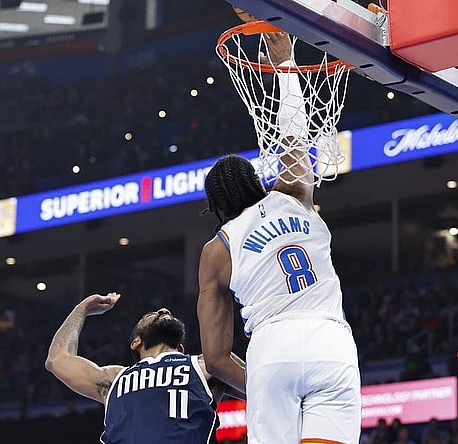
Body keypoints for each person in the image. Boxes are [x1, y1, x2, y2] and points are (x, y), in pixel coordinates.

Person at [197, 32, 361, 444]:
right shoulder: (294, 197)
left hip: (270, 347)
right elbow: (294, 139)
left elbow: (215, 359)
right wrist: (286, 66)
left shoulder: (217, 250)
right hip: (330, 340)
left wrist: (271, 384)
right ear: (256, 181)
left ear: (216, 206)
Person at [45, 292, 242, 444]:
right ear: (136, 342)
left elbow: (262, 385)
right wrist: (83, 308)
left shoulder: (206, 366)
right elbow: (57, 359)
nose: (163, 311)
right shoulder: (115, 379)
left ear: (180, 348)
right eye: (151, 315)